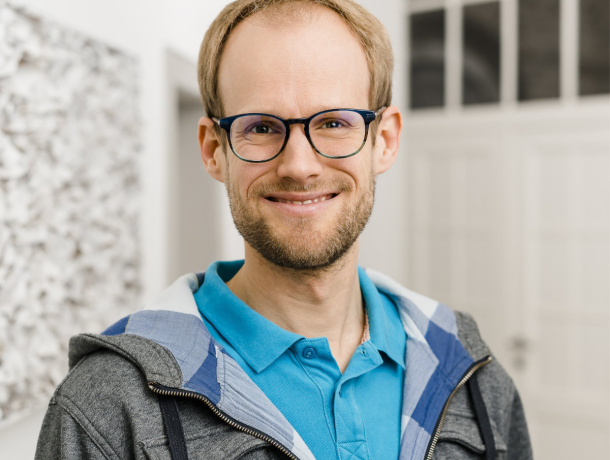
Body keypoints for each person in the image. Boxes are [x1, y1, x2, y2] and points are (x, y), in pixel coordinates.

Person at [35, 0, 532, 459]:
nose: (299, 166)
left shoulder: (470, 376)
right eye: (261, 127)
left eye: (334, 123)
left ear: (384, 140)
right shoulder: (107, 408)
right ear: (213, 149)